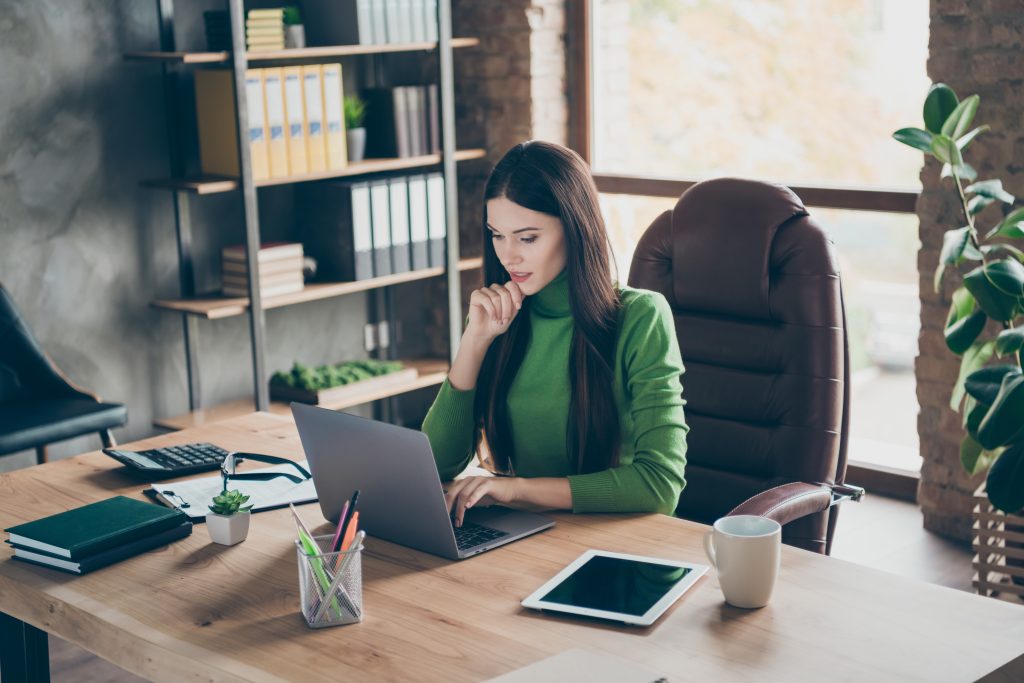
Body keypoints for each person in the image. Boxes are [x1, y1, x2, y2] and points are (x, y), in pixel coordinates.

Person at [422, 140, 687, 526]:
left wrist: (517, 490)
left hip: (619, 541)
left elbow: (660, 486)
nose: (508, 255)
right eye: (497, 234)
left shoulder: (641, 316)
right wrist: (474, 342)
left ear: (576, 229)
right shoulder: (499, 315)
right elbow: (434, 466)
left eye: (527, 238)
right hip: (529, 534)